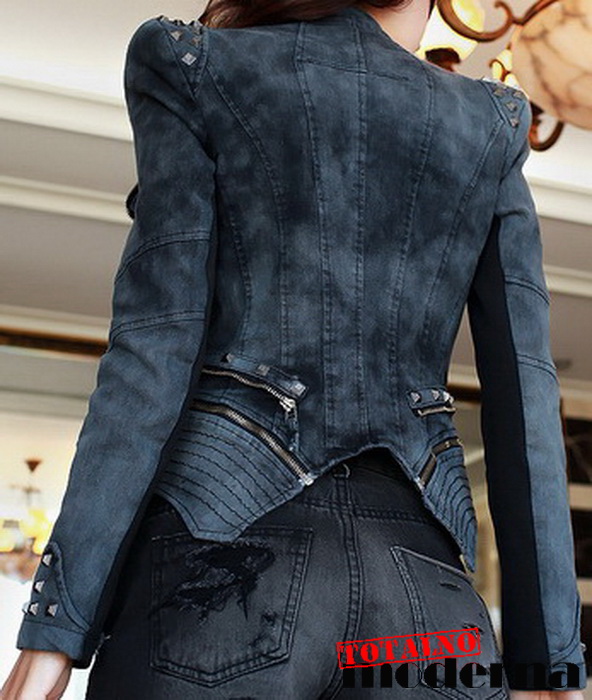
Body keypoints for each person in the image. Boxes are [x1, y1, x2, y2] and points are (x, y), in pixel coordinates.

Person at [1, 0, 587, 697]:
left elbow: (152, 353)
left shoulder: (196, 64)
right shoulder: (494, 120)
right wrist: (553, 660)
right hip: (428, 612)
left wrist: (56, 628)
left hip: (220, 575)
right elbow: (526, 398)